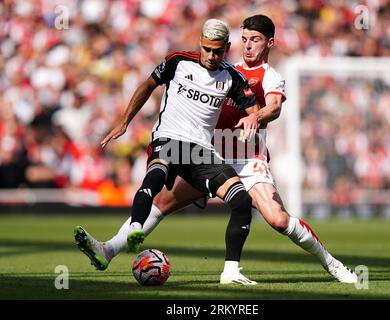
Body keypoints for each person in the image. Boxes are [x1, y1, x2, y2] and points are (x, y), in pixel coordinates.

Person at [75, 15, 358, 284]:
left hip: (247, 159)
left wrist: (255, 117)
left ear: (269, 43)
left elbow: (273, 108)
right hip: (210, 155)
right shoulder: (221, 68)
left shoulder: (269, 76)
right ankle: (108, 250)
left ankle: (332, 264)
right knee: (161, 204)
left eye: (255, 39)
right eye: (245, 38)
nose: (248, 45)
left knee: (278, 219)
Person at [75, 18, 265, 285]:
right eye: (208, 49)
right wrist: (124, 122)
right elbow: (147, 86)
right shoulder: (178, 61)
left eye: (218, 51)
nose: (212, 56)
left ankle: (231, 272)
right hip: (169, 139)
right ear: (200, 42)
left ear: (227, 48)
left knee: (241, 201)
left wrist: (253, 121)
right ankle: (135, 231)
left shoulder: (232, 78)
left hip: (201, 151)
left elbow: (256, 113)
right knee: (154, 179)